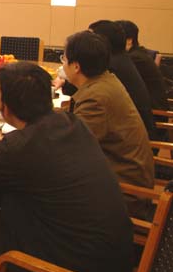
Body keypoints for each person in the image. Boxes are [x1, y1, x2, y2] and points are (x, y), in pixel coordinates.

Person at [0, 62, 133, 272]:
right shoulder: (72, 123)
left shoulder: (20, 147)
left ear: (5, 107)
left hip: (70, 271)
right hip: (114, 262)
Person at [62, 31, 154, 215]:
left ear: (76, 66)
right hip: (120, 175)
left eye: (64, 59)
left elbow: (70, 149)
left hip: (122, 193)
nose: (62, 64)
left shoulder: (96, 98)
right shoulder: (106, 81)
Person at [88, 20, 157, 140]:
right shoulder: (122, 59)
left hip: (134, 137)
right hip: (134, 131)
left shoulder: (112, 66)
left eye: (91, 39)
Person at [116, 20, 168, 111]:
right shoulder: (139, 54)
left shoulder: (135, 58)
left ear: (129, 40)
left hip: (153, 113)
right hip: (145, 109)